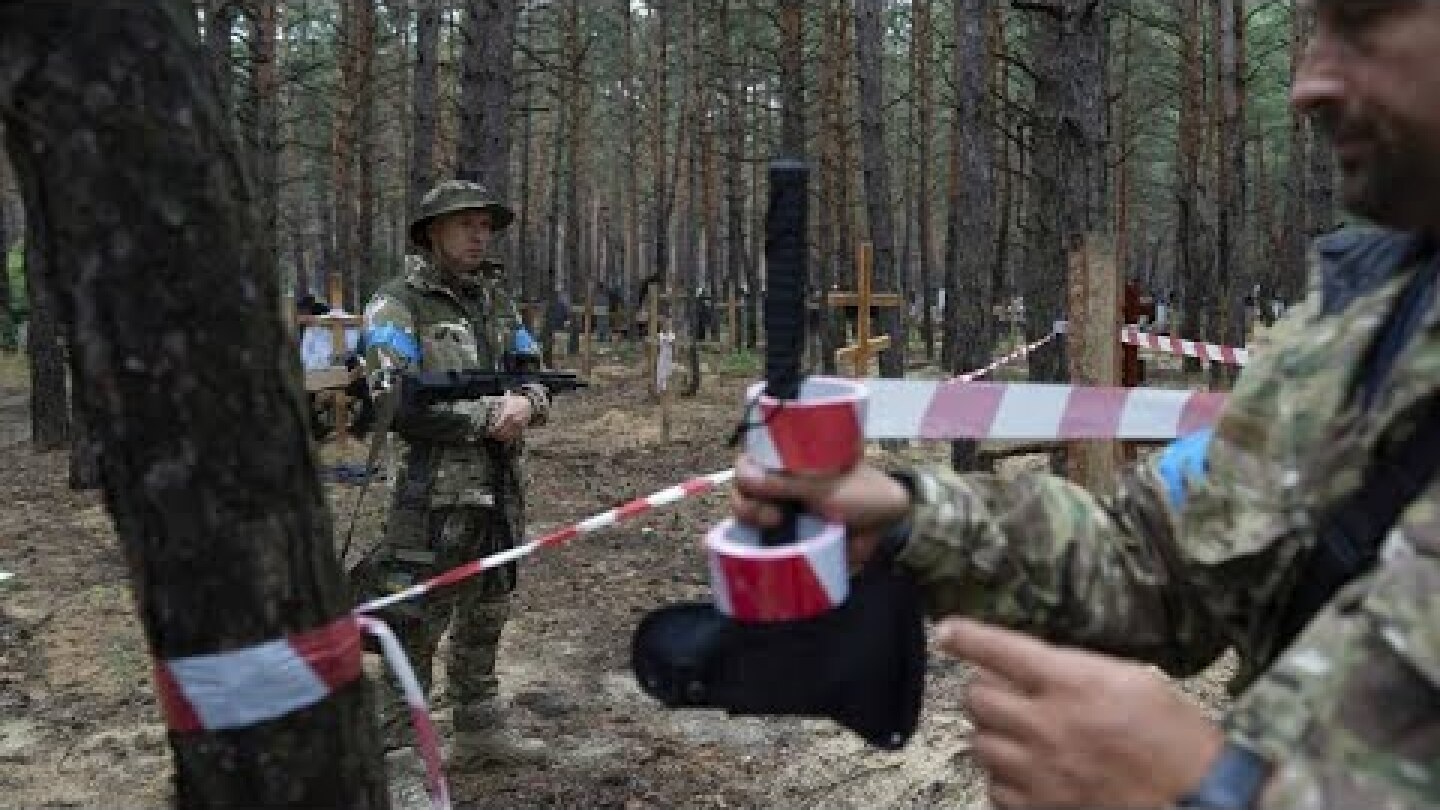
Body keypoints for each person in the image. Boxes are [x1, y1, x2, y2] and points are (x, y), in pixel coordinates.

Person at [732, 2, 1440, 807]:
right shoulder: (1364, 319)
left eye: (1359, 25)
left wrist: (1211, 789)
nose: (1308, 85)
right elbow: (1158, 562)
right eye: (1314, 32)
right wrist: (908, 518)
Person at [357, 179, 550, 775]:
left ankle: (479, 725)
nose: (478, 235)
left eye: (485, 225)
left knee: (489, 608)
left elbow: (534, 372)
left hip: (500, 488)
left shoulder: (498, 303)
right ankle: (398, 756)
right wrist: (487, 415)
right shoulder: (396, 304)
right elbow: (392, 400)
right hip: (431, 496)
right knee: (413, 621)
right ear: (432, 232)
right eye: (465, 224)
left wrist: (528, 403)